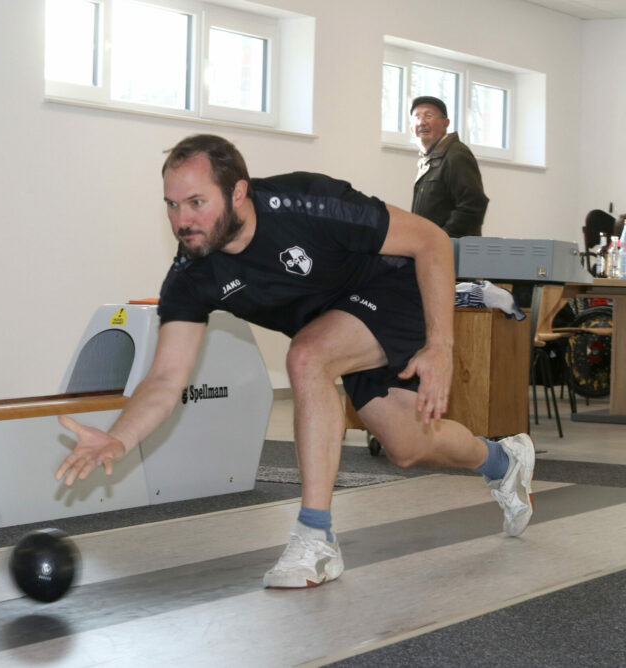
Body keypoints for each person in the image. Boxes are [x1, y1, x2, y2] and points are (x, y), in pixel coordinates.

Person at [55, 134, 534, 589]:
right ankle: (503, 460)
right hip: (337, 325)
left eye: (197, 202)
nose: (182, 221)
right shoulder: (190, 276)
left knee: (307, 357)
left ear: (238, 192)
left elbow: (430, 239)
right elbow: (164, 379)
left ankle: (315, 537)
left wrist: (441, 346)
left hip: (395, 291)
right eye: (172, 205)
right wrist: (119, 437)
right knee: (406, 446)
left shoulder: (308, 203)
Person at [410, 96, 488, 238]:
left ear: (445, 123)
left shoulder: (456, 154)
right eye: (416, 117)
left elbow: (473, 205)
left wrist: (442, 238)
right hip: (430, 248)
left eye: (428, 115)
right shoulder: (428, 160)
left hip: (451, 251)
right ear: (411, 128)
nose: (421, 122)